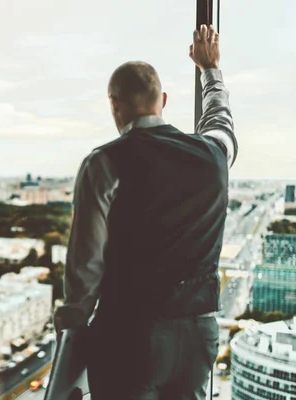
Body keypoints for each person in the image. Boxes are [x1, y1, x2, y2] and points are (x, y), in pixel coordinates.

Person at [53, 24, 237, 400]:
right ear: (163, 100)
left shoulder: (104, 163)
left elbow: (85, 265)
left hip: (129, 333)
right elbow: (221, 122)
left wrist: (72, 328)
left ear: (114, 105)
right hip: (197, 332)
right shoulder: (214, 155)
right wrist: (210, 71)